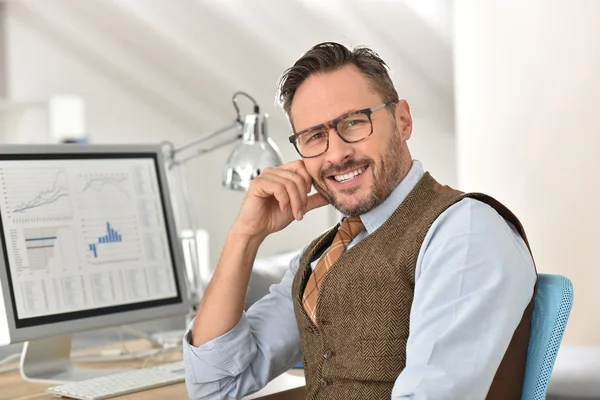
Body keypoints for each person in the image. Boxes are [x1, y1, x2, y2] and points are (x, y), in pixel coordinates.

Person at [182, 42, 537, 400]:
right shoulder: (323, 255)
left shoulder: (463, 231)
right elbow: (216, 385)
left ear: (403, 121)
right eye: (315, 136)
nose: (336, 154)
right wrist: (245, 235)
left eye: (354, 123)